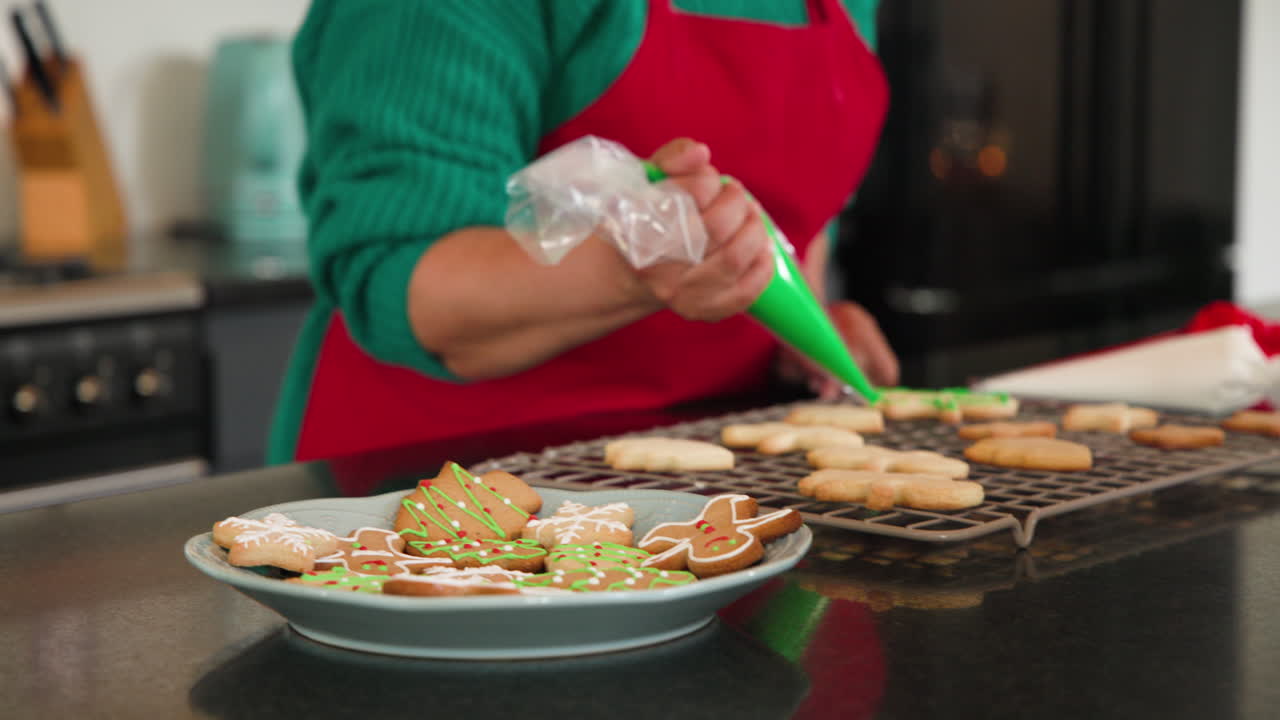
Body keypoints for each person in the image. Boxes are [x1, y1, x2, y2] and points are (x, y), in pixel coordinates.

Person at [269, 0, 900, 464]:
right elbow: (409, 282)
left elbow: (801, 211)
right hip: (444, 483)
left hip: (730, 477)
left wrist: (803, 322)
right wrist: (637, 267)